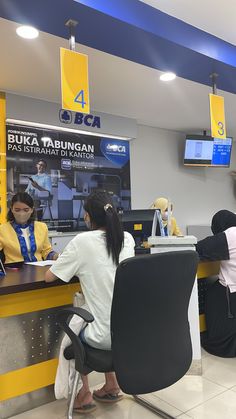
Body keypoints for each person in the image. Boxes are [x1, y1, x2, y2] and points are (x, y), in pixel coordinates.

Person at [45, 191, 135, 413]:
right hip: (130, 334)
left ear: (87, 216)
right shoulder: (128, 238)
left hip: (103, 336)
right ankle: (112, 385)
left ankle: (84, 395)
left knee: (77, 326)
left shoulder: (82, 241)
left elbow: (49, 277)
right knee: (102, 309)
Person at [196, 210, 236, 357]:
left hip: (232, 293)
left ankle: (219, 339)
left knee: (213, 291)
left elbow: (200, 248)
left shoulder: (232, 234)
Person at [0, 192, 58, 264]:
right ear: (12, 209)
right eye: (17, 210)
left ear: (32, 210)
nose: (21, 213)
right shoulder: (2, 229)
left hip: (39, 270)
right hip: (14, 271)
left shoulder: (42, 227)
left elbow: (46, 251)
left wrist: (57, 256)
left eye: (26, 210)